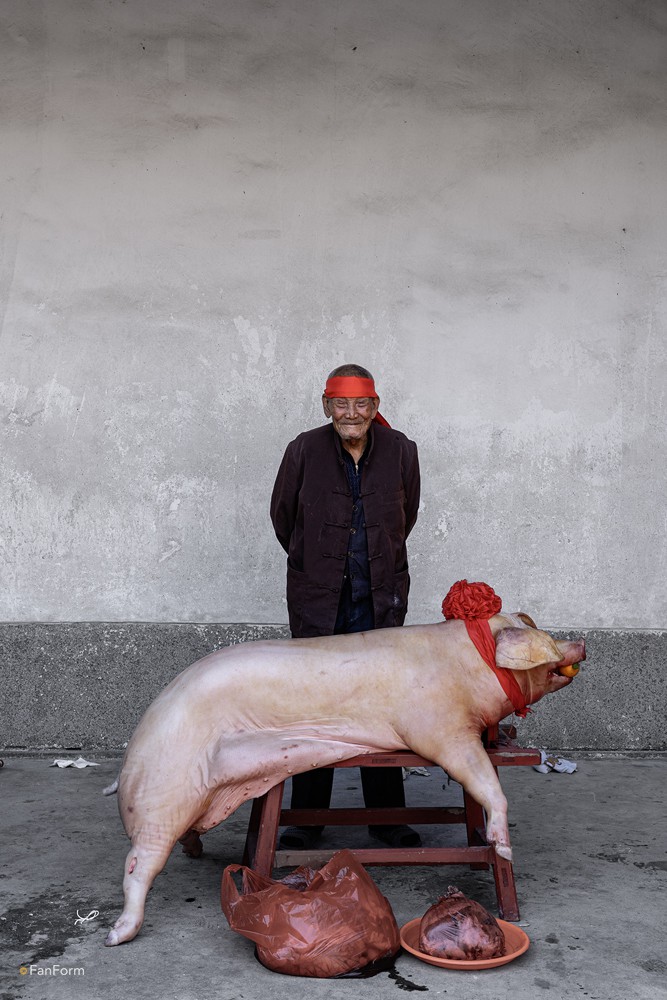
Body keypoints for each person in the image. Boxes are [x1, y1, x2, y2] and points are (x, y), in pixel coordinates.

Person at [270, 363, 421, 849]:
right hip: (319, 599)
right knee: (316, 704)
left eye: (360, 404)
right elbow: (283, 518)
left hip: (378, 595)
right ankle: (307, 818)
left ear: (374, 406)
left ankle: (387, 818)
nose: (350, 413)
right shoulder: (303, 450)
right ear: (326, 406)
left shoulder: (401, 451)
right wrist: (317, 562)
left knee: (381, 702)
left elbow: (406, 517)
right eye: (341, 404)